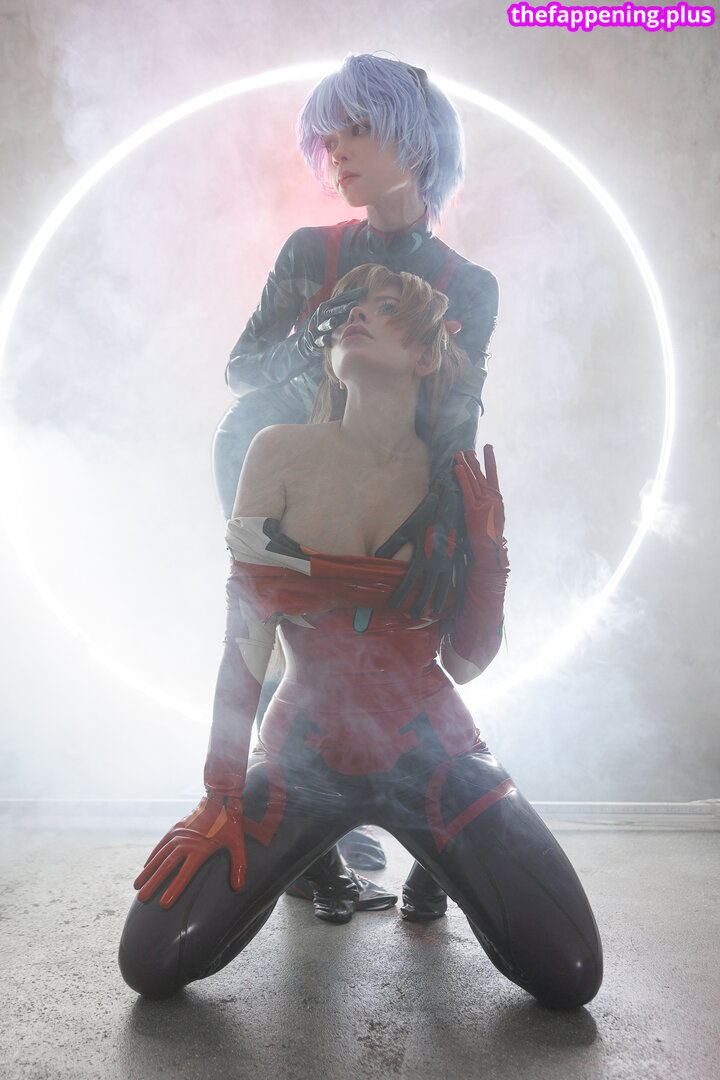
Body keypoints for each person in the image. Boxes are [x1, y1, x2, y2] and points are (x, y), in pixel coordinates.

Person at [119, 266, 603, 1008]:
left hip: (435, 754)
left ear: (426, 354)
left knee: (570, 971)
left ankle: (433, 867)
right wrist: (219, 795)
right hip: (302, 758)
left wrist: (490, 558)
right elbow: (245, 645)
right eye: (348, 306)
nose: (353, 315)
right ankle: (343, 862)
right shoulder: (277, 451)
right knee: (151, 959)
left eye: (384, 307)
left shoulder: (451, 482)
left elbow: (465, 662)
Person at [211, 53, 500, 918]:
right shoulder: (312, 251)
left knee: (410, 642)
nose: (336, 150)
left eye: (359, 129)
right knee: (285, 640)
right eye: (327, 136)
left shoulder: (466, 285)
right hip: (278, 466)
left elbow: (457, 414)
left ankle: (435, 830)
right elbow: (242, 373)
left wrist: (447, 522)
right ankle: (311, 849)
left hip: (400, 476)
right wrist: (312, 338)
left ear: (418, 141)